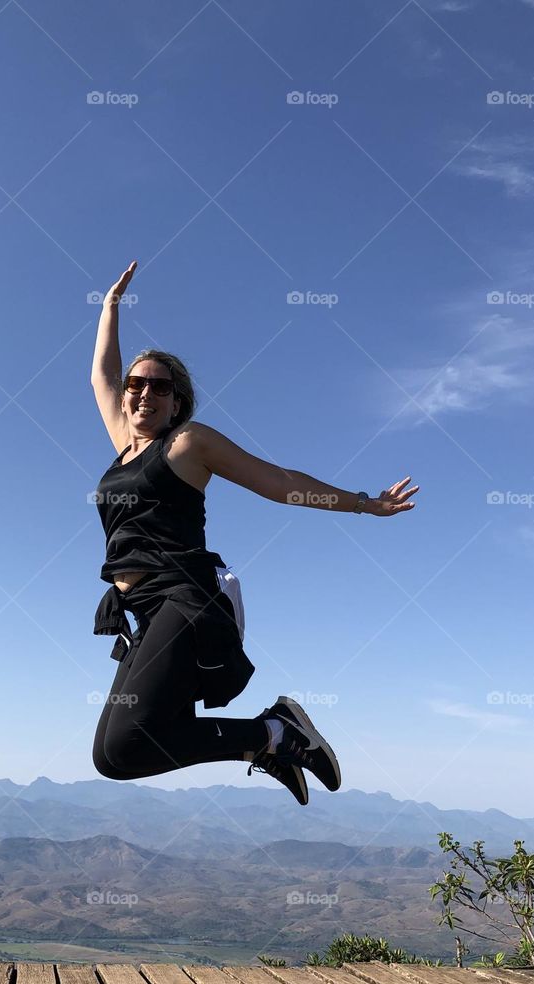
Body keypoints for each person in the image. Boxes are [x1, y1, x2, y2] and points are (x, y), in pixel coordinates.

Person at [90, 260, 418, 805]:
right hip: (143, 610)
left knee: (127, 743)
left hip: (185, 596)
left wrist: (365, 504)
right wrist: (109, 308)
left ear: (178, 401)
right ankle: (268, 739)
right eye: (135, 385)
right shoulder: (124, 442)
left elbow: (280, 482)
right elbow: (101, 373)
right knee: (114, 757)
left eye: (159, 386)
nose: (143, 393)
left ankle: (278, 733)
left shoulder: (187, 444)